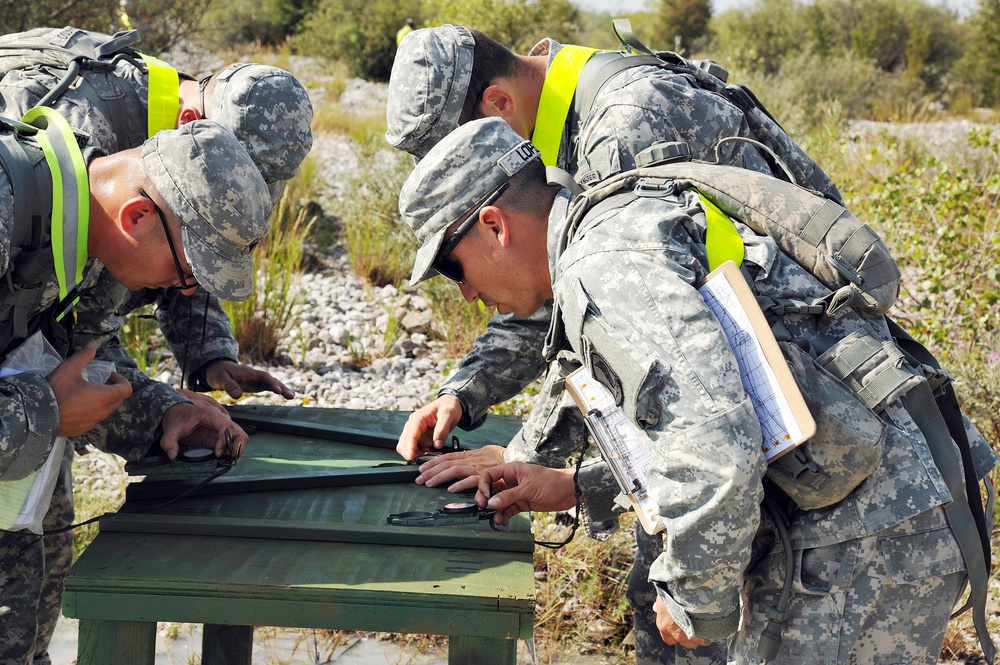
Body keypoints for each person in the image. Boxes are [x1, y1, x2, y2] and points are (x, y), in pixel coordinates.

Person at [396, 117, 999, 664]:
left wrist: (693, 597)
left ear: (494, 225)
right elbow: (718, 418)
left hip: (861, 543)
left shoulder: (603, 264)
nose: (468, 295)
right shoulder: (622, 219)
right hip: (892, 510)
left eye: (454, 268)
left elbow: (715, 455)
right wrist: (577, 487)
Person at [0, 116, 272, 665]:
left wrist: (164, 412)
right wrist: (44, 412)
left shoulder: (76, 228)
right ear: (139, 215)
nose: (183, 290)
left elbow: (73, 363)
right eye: (188, 270)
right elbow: (48, 393)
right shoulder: (9, 208)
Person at [0, 25, 313, 399]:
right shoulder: (70, 139)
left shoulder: (131, 189)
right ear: (191, 124)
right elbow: (55, 334)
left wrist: (207, 356)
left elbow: (191, 250)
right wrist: (48, 414)